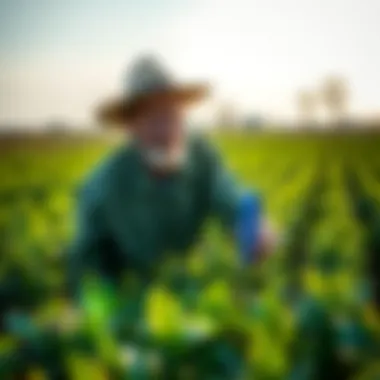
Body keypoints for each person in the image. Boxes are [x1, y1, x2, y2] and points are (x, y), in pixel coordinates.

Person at [68, 55, 276, 295]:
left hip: (187, 289)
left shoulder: (202, 157)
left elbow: (230, 198)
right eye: (153, 118)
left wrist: (255, 230)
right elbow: (87, 267)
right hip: (130, 296)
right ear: (131, 126)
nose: (165, 131)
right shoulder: (102, 187)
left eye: (171, 115)